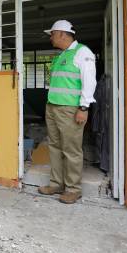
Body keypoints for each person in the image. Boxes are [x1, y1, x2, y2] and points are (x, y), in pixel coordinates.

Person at [38, 19, 96, 204]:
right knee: (54, 147)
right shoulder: (62, 55)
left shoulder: (82, 53)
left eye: (53, 34)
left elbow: (90, 82)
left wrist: (84, 108)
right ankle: (56, 184)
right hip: (53, 107)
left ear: (63, 34)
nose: (51, 38)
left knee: (71, 150)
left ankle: (73, 189)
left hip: (70, 109)